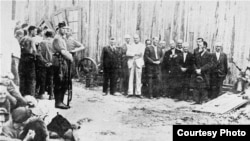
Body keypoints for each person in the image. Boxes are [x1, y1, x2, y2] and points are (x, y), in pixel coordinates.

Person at [52, 22, 73, 109]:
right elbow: (63, 52)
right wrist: (70, 57)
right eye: (63, 29)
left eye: (66, 29)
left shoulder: (61, 38)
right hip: (59, 62)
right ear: (59, 28)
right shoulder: (57, 39)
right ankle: (58, 102)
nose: (65, 30)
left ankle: (61, 101)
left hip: (62, 61)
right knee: (59, 82)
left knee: (64, 82)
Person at [19, 26, 38, 96]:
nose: (36, 33)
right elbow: (34, 50)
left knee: (23, 78)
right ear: (31, 31)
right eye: (35, 31)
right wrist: (35, 57)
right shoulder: (31, 39)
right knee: (31, 78)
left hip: (22, 59)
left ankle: (22, 94)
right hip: (30, 59)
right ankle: (31, 95)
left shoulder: (22, 38)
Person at [36, 30, 55, 100]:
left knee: (42, 78)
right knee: (51, 78)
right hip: (52, 63)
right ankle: (51, 95)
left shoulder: (42, 42)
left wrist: (44, 62)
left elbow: (39, 54)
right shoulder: (54, 42)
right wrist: (51, 62)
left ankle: (41, 94)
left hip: (43, 64)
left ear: (46, 35)